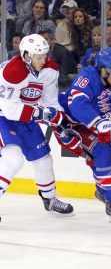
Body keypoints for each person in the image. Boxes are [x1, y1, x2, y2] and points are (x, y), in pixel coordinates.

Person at [56, 48, 111, 223]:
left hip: (92, 127)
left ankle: (104, 191)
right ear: (103, 70)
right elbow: (77, 103)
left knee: (100, 155)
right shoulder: (88, 76)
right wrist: (100, 123)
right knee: (103, 151)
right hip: (68, 125)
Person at [0, 34, 74, 215]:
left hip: (26, 119)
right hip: (3, 116)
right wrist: (40, 113)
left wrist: (60, 120)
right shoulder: (12, 71)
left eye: (44, 56)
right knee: (13, 159)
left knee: (44, 160)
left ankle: (49, 199)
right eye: (39, 57)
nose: (43, 60)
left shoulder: (50, 70)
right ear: (26, 56)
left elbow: (50, 103)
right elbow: (10, 109)